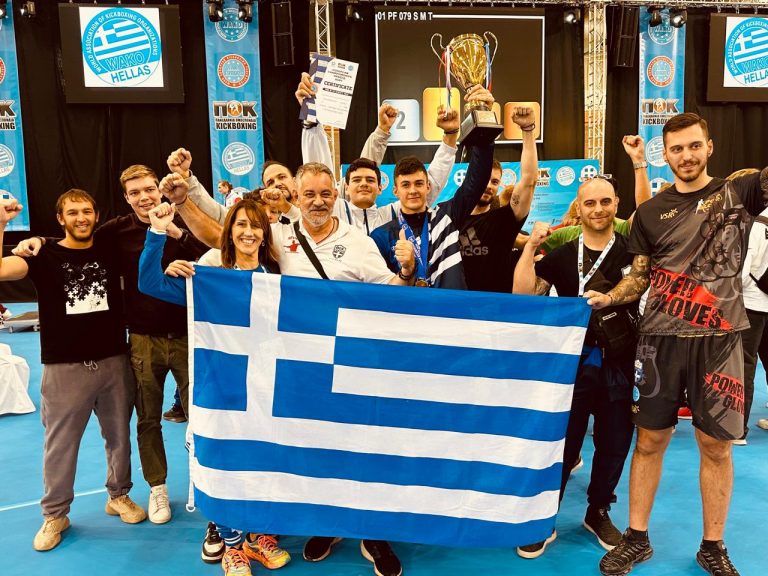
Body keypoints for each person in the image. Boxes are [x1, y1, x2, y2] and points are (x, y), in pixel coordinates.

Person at [164, 162, 415, 576]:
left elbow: (394, 296)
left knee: (358, 449)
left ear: (336, 195)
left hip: (350, 363)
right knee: (315, 451)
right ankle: (326, 525)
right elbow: (223, 235)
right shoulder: (280, 235)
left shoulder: (359, 242)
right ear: (296, 196)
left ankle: (373, 534)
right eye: (309, 194)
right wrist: (183, 201)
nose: (318, 202)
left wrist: (407, 269)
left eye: (326, 194)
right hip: (299, 370)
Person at [587, 113, 768, 576]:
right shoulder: (649, 212)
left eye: (694, 146)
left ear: (709, 146)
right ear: (664, 155)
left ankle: (713, 545)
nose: (686, 156)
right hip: (659, 342)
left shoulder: (738, 191)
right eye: (676, 149)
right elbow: (640, 277)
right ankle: (636, 538)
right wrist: (610, 297)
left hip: (720, 341)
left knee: (716, 446)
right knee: (649, 441)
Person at [14, 165, 209, 525]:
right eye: (135, 192)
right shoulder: (114, 232)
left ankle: (207, 487)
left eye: (149, 189)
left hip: (188, 337)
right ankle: (156, 488)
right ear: (126, 198)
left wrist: (177, 233)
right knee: (146, 420)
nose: (144, 197)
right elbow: (74, 238)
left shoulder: (182, 220)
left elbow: (215, 252)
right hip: (141, 340)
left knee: (204, 418)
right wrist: (38, 240)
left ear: (159, 189)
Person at [138, 199, 288, 576]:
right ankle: (232, 547)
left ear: (265, 234)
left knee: (264, 461)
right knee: (223, 464)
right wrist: (157, 233)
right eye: (240, 224)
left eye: (256, 225)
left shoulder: (278, 276)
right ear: (229, 232)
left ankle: (260, 537)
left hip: (265, 388)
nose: (248, 232)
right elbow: (149, 283)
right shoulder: (209, 277)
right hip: (220, 388)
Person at [0, 191, 146, 552]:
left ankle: (118, 495)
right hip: (64, 367)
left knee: (119, 437)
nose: (81, 218)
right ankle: (55, 514)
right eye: (73, 212)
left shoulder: (110, 248)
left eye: (87, 211)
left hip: (114, 362)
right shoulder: (42, 253)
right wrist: (2, 223)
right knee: (60, 445)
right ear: (60, 218)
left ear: (96, 215)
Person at [513, 176, 636, 558]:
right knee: (562, 443)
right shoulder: (563, 254)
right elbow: (522, 294)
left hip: (619, 362)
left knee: (614, 441)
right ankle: (544, 515)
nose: (598, 209)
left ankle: (598, 510)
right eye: (590, 203)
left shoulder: (632, 253)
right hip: (572, 364)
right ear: (578, 208)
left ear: (616, 204)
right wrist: (530, 247)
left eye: (605, 202)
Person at [370, 85, 495, 289]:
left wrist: (484, 118)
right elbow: (377, 288)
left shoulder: (446, 216)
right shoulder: (381, 235)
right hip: (409, 309)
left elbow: (477, 180)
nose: (413, 190)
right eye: (405, 185)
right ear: (395, 190)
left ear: (428, 186)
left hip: (449, 307)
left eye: (419, 183)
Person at [459, 106, 538, 292]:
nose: (489, 185)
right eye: (485, 179)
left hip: (496, 306)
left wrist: (528, 130)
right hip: (456, 306)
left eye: (495, 181)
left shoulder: (504, 220)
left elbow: (529, 180)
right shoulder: (451, 217)